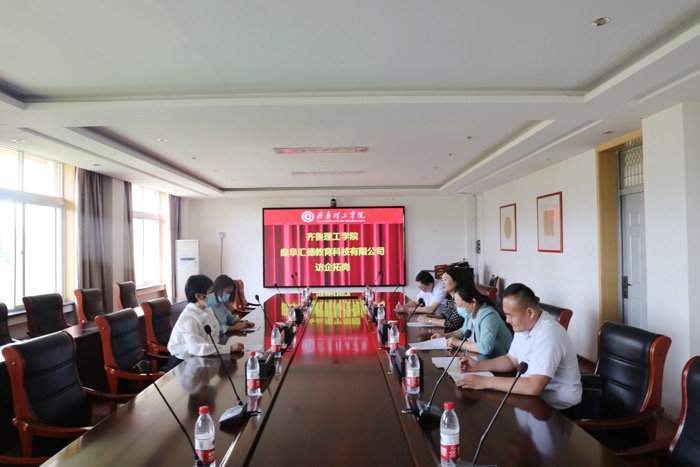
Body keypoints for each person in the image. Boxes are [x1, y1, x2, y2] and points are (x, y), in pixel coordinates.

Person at [455, 283, 581, 411]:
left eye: (510, 315)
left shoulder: (548, 334)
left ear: (530, 312)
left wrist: (486, 381)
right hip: (533, 398)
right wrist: (478, 365)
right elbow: (511, 360)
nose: (507, 320)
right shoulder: (524, 326)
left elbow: (534, 386)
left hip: (559, 409)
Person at [166, 274, 244, 370]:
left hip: (202, 357)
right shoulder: (188, 318)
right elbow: (196, 348)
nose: (214, 295)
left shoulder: (207, 310)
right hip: (182, 364)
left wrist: (215, 348)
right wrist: (229, 348)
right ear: (199, 296)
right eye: (211, 292)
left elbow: (215, 334)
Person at [431, 284, 512, 357]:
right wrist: (444, 336)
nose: (459, 309)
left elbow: (485, 348)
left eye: (460, 305)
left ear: (473, 302)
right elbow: (462, 332)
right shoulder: (471, 312)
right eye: (457, 305)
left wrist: (458, 343)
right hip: (479, 356)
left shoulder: (488, 315)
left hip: (499, 359)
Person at [415, 267, 465, 333]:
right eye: (442, 280)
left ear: (456, 281)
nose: (442, 283)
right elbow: (445, 315)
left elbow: (452, 324)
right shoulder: (451, 299)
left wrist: (430, 320)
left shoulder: (462, 298)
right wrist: (429, 316)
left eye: (445, 279)